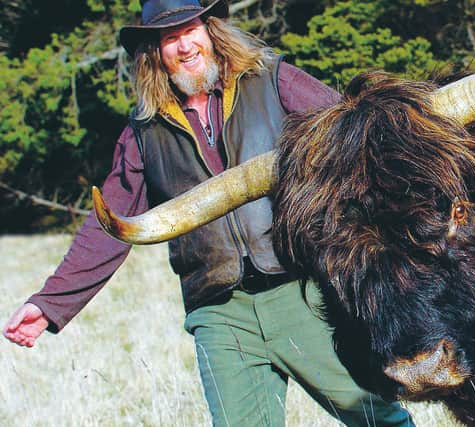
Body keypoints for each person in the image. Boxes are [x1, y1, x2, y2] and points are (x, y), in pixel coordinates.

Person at [3, 1, 414, 426]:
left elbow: (352, 135)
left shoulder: (271, 82)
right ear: (154, 52)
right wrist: (50, 304)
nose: (184, 46)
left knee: (379, 420)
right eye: (169, 37)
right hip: (220, 314)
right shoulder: (145, 132)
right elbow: (109, 226)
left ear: (211, 30)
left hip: (302, 292)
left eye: (190, 29)